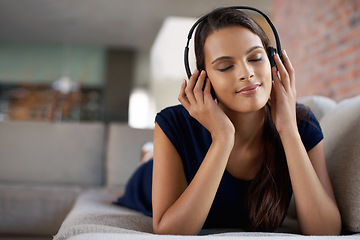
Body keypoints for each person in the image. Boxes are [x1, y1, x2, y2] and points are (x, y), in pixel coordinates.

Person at [114, 8, 341, 235]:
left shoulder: (301, 123)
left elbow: (326, 231)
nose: (247, 72)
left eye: (255, 58)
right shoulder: (173, 123)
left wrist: (289, 130)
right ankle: (149, 155)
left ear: (274, 60)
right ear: (205, 79)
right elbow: (170, 232)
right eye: (225, 66)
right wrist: (223, 139)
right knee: (149, 163)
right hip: (147, 180)